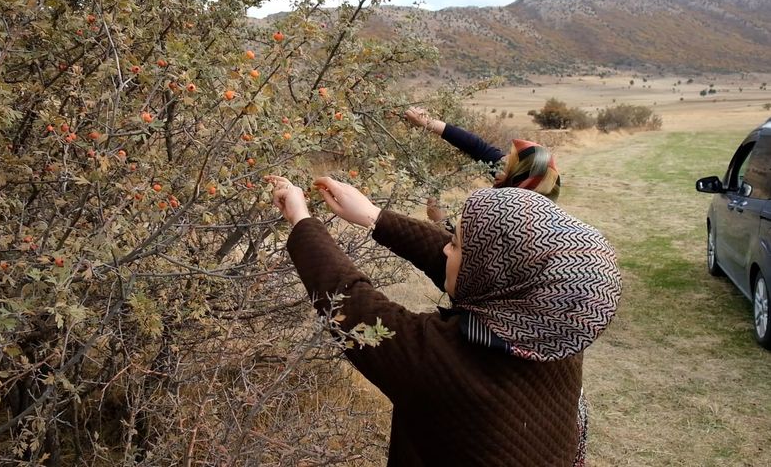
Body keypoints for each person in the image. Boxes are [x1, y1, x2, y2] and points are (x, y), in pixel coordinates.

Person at [266, 174, 621, 466]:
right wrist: (374, 216)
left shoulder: (443, 362)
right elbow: (472, 270)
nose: (446, 248)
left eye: (457, 244)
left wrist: (302, 221)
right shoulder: (551, 328)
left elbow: (351, 304)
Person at [405, 107, 561, 225]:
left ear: (519, 178)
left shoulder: (509, 222)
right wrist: (428, 123)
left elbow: (464, 259)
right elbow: (476, 146)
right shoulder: (517, 184)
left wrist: (441, 221)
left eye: (510, 160)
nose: (501, 158)